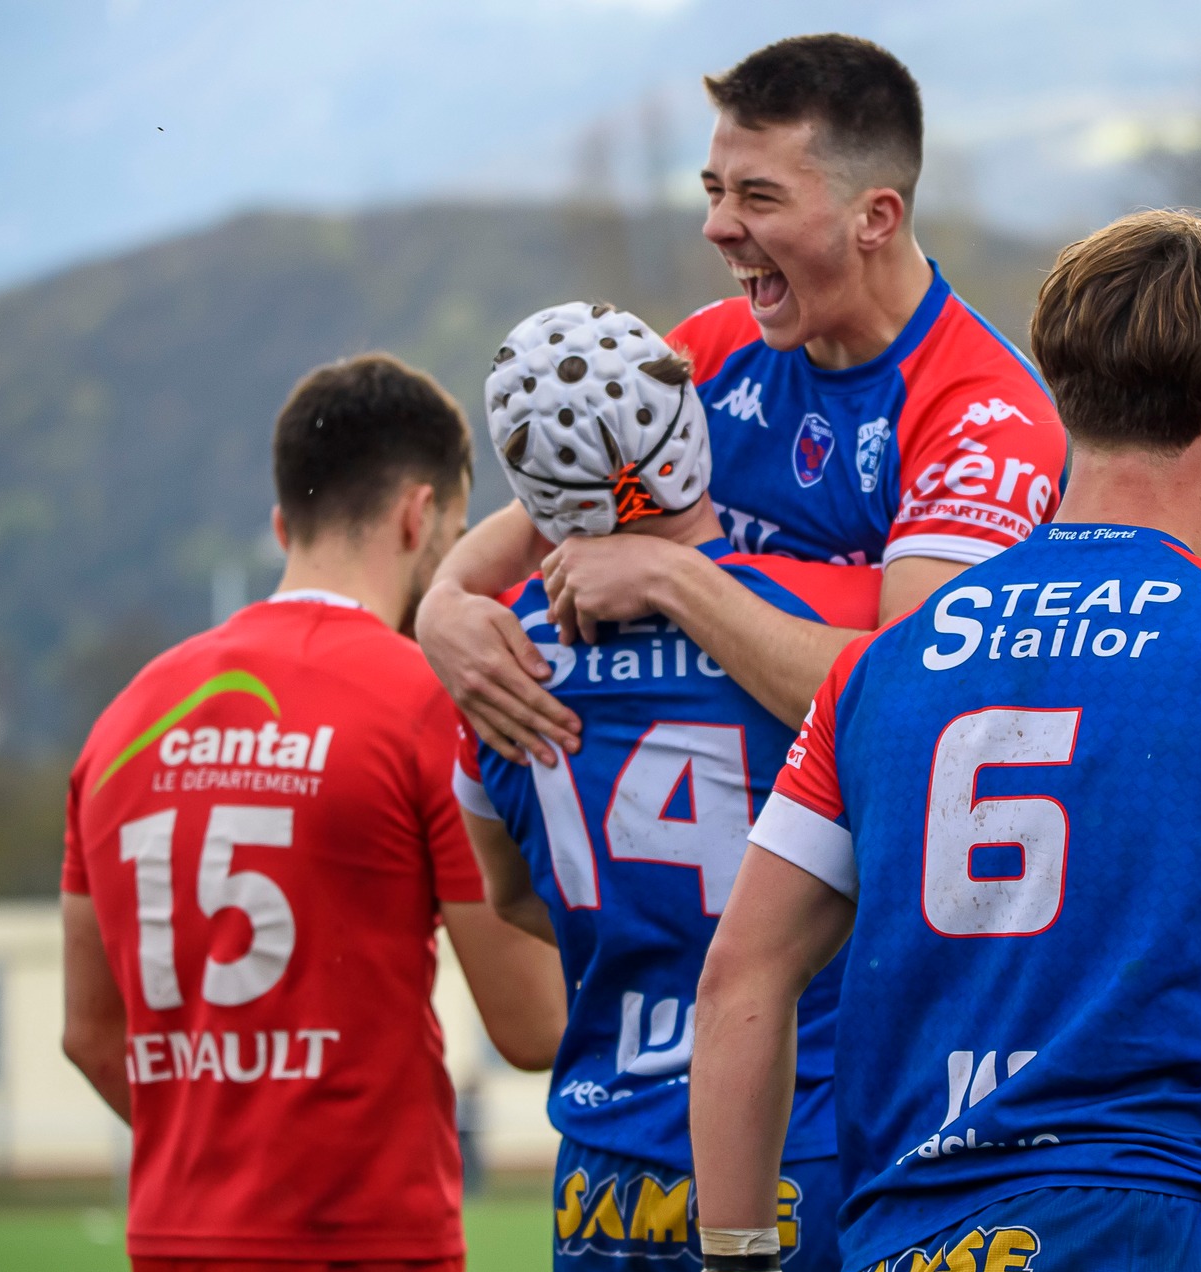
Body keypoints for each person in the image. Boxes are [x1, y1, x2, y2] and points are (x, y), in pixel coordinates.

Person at [682, 210, 1201, 1272]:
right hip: (1126, 1270)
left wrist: (740, 1271)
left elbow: (738, 980)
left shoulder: (880, 665)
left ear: (1072, 406)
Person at [60, 354, 566, 1272]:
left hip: (175, 1240)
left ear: (283, 522)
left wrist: (230, 1127)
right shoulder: (422, 698)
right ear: (421, 518)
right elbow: (534, 1022)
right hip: (355, 1243)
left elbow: (87, 1031)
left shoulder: (123, 716)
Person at [416, 33, 1065, 759]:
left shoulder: (986, 419)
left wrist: (670, 577)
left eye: (758, 196)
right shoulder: (715, 346)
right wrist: (442, 608)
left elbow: (911, 700)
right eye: (714, 190)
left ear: (876, 219)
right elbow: (553, 506)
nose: (717, 226)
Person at [453, 302, 878, 1272]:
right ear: (692, 432)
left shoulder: (499, 665)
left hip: (606, 1177)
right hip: (802, 1143)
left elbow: (512, 895)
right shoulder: (824, 616)